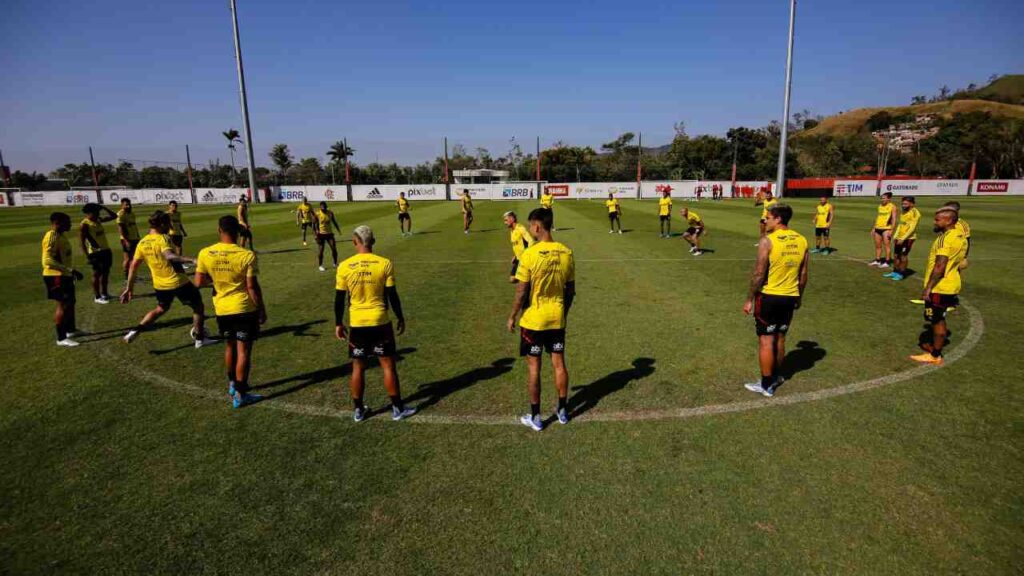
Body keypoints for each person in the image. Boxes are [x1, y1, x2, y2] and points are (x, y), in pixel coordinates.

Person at [335, 225, 416, 422]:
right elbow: (392, 295)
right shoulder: (384, 263)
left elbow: (339, 299)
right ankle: (397, 409)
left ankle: (358, 410)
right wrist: (400, 317)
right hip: (380, 321)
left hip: (357, 323)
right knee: (388, 366)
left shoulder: (345, 266)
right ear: (373, 241)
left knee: (358, 367)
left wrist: (338, 323)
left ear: (355, 242)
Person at [506, 208, 576, 431]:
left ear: (537, 226)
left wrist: (512, 315)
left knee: (534, 368)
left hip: (533, 321)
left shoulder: (530, 254)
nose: (529, 229)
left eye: (530, 225)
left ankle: (536, 417)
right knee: (559, 364)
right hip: (556, 319)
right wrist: (562, 313)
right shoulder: (566, 252)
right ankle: (563, 410)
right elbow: (571, 291)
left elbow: (521, 291)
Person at [195, 215, 267, 409]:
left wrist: (217, 282)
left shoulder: (205, 253)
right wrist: (261, 309)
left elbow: (199, 282)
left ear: (219, 230)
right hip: (244, 308)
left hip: (222, 308)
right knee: (243, 351)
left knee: (229, 346)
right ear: (237, 232)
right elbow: (252, 287)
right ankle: (241, 395)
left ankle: (232, 384)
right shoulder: (246, 255)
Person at [120, 211, 216, 348]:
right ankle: (200, 339)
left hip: (160, 285)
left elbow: (133, 267)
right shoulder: (163, 238)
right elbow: (169, 256)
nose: (170, 226)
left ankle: (135, 331)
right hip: (177, 281)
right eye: (168, 223)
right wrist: (193, 260)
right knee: (198, 306)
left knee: (160, 309)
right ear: (162, 224)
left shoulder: (142, 242)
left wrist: (129, 288)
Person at [742, 204, 809, 398]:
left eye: (768, 217)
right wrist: (799, 297)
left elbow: (759, 273)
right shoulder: (801, 239)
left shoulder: (767, 241)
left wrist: (749, 299)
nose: (765, 221)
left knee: (765, 340)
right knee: (780, 337)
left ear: (778, 219)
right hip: (790, 296)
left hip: (769, 297)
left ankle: (765, 384)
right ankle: (777, 377)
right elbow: (803, 273)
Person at [909, 205, 968, 366]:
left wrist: (928, 288)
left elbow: (940, 266)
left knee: (936, 320)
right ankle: (934, 348)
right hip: (952, 284)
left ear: (948, 220)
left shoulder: (945, 239)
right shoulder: (960, 236)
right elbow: (961, 262)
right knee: (939, 317)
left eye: (937, 220)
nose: (934, 222)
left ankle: (935, 354)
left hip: (940, 287)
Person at [42, 212, 84, 347]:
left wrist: (70, 271)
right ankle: (61, 338)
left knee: (71, 302)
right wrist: (70, 270)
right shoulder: (52, 237)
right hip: (55, 276)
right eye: (68, 222)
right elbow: (47, 260)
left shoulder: (61, 235)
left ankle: (71, 330)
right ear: (57, 223)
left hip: (64, 275)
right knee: (63, 304)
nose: (70, 224)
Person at [79, 203, 117, 304]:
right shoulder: (85, 224)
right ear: (88, 213)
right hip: (95, 253)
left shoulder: (98, 220)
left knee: (105, 273)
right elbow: (82, 242)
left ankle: (105, 294)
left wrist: (104, 207)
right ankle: (97, 296)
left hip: (106, 250)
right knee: (96, 274)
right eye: (95, 212)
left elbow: (115, 216)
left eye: (98, 212)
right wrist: (88, 257)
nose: (97, 214)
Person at [886, 196, 921, 281]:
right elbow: (900, 225)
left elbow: (912, 228)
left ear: (912, 204)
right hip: (899, 237)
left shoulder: (915, 213)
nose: (903, 205)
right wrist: (896, 236)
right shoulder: (903, 211)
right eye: (903, 203)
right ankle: (895, 271)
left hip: (908, 238)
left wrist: (903, 238)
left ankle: (901, 274)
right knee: (896, 255)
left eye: (905, 203)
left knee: (903, 256)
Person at [503, 211, 534, 283]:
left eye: (506, 220)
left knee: (520, 281)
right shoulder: (512, 230)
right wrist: (515, 256)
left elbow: (531, 241)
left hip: (524, 259)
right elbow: (516, 245)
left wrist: (527, 255)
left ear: (512, 219)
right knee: (512, 279)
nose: (505, 223)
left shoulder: (520, 228)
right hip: (518, 258)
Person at [869, 192, 897, 268]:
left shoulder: (892, 207)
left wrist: (892, 230)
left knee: (887, 246)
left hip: (886, 229)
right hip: (878, 228)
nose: (882, 199)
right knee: (878, 246)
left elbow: (894, 219)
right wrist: (874, 228)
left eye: (884, 198)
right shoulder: (880, 206)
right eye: (881, 198)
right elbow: (878, 217)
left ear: (889, 199)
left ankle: (887, 262)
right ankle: (877, 260)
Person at [116, 198, 140, 279]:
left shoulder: (132, 214)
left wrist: (138, 236)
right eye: (126, 205)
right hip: (126, 239)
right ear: (122, 205)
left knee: (134, 258)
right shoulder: (120, 214)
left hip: (135, 238)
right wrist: (126, 241)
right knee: (127, 258)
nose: (129, 206)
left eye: (129, 204)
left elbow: (134, 226)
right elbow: (121, 229)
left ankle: (132, 275)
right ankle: (127, 276)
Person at [313, 201, 341, 272]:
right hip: (321, 234)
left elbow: (334, 221)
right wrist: (316, 234)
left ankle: (335, 263)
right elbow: (314, 225)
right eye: (322, 208)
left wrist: (338, 230)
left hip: (329, 234)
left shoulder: (330, 213)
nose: (323, 209)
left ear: (326, 207)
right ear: (320, 207)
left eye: (324, 207)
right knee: (321, 250)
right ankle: (320, 265)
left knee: (334, 248)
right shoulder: (317, 214)